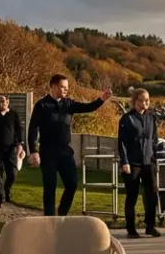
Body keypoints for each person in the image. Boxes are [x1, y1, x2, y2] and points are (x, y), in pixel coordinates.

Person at [27, 74, 113, 216]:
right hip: (48, 152)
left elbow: (88, 107)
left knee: (72, 184)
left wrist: (101, 99)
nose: (66, 90)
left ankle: (62, 215)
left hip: (65, 152)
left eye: (67, 87)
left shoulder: (68, 104)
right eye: (62, 87)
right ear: (53, 87)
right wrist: (34, 151)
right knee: (50, 186)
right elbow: (33, 128)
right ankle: (50, 219)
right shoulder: (42, 105)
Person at [117, 89, 161, 238]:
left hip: (148, 162)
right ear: (135, 101)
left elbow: (154, 139)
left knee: (152, 194)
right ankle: (131, 228)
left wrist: (154, 158)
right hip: (132, 162)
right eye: (142, 100)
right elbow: (122, 143)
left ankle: (150, 225)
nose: (145, 103)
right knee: (132, 195)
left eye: (147, 100)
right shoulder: (127, 119)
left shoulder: (152, 118)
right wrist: (125, 162)